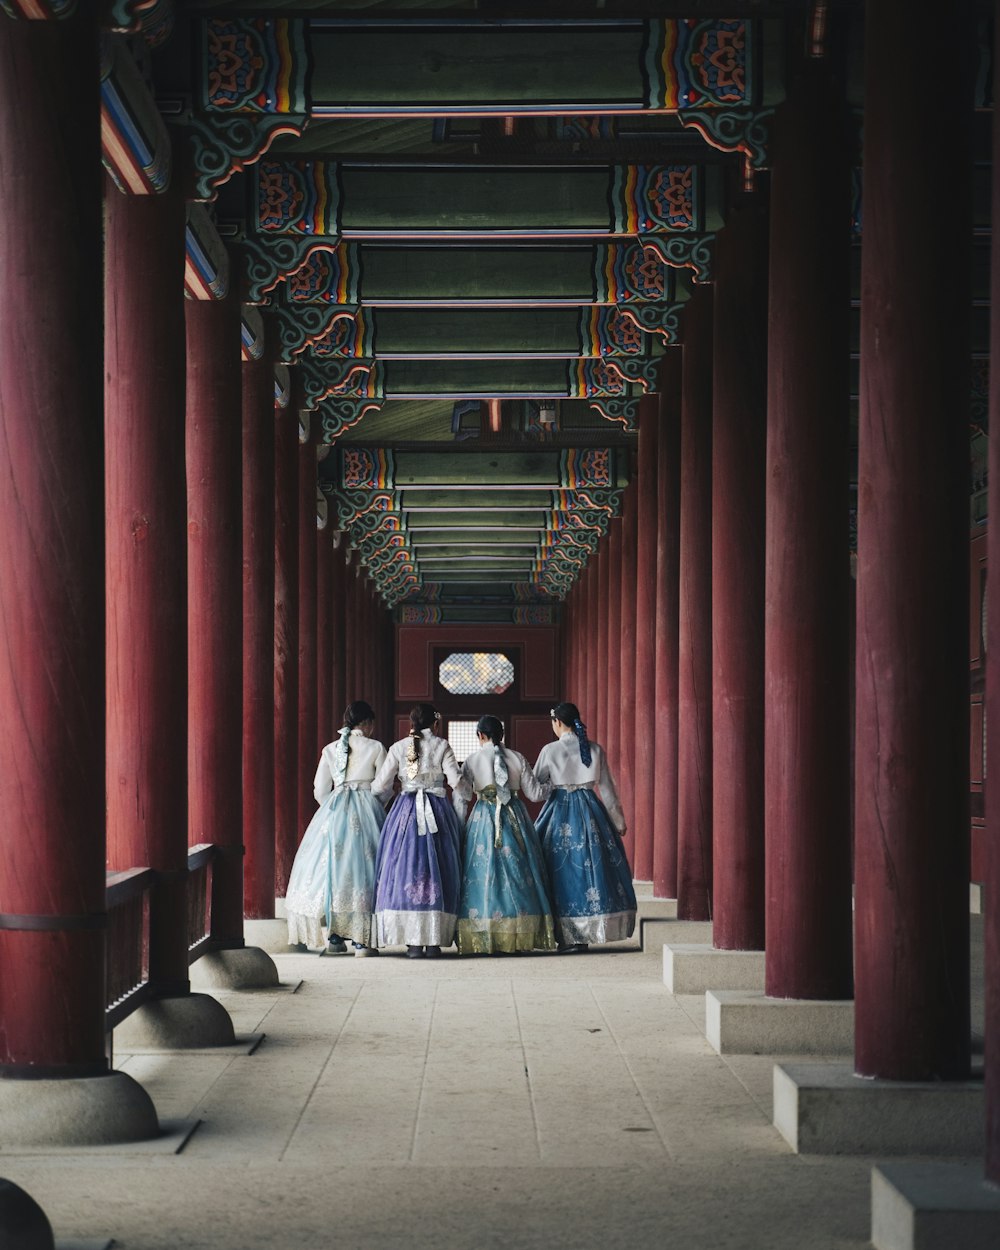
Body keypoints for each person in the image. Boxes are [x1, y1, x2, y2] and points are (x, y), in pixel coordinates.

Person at [285, 701, 391, 956]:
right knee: (367, 870)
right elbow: (385, 786)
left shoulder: (330, 749)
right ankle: (362, 940)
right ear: (366, 723)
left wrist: (333, 807)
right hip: (367, 807)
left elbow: (320, 789)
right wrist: (375, 806)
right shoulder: (376, 747)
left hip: (335, 809)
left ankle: (334, 937)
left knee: (333, 870)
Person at [532, 701, 637, 952]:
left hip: (558, 811)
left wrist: (554, 788)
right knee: (590, 869)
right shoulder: (594, 749)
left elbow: (536, 785)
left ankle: (565, 934)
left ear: (557, 722)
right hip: (590, 812)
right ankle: (587, 929)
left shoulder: (550, 750)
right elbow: (608, 789)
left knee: (557, 869)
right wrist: (618, 821)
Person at [453, 715, 557, 956]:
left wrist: (459, 827)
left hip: (482, 821)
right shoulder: (517, 757)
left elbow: (462, 796)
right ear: (502, 734)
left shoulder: (472, 760)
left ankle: (484, 931)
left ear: (480, 735)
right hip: (514, 817)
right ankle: (520, 931)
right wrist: (555, 785)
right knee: (519, 870)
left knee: (482, 870)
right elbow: (534, 793)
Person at [371, 704, 464, 959]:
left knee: (404, 868)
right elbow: (455, 781)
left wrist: (385, 800)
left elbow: (380, 785)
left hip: (405, 811)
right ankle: (433, 940)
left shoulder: (399, 747)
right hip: (437, 810)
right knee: (440, 868)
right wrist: (465, 794)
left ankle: (412, 943)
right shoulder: (442, 745)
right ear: (435, 724)